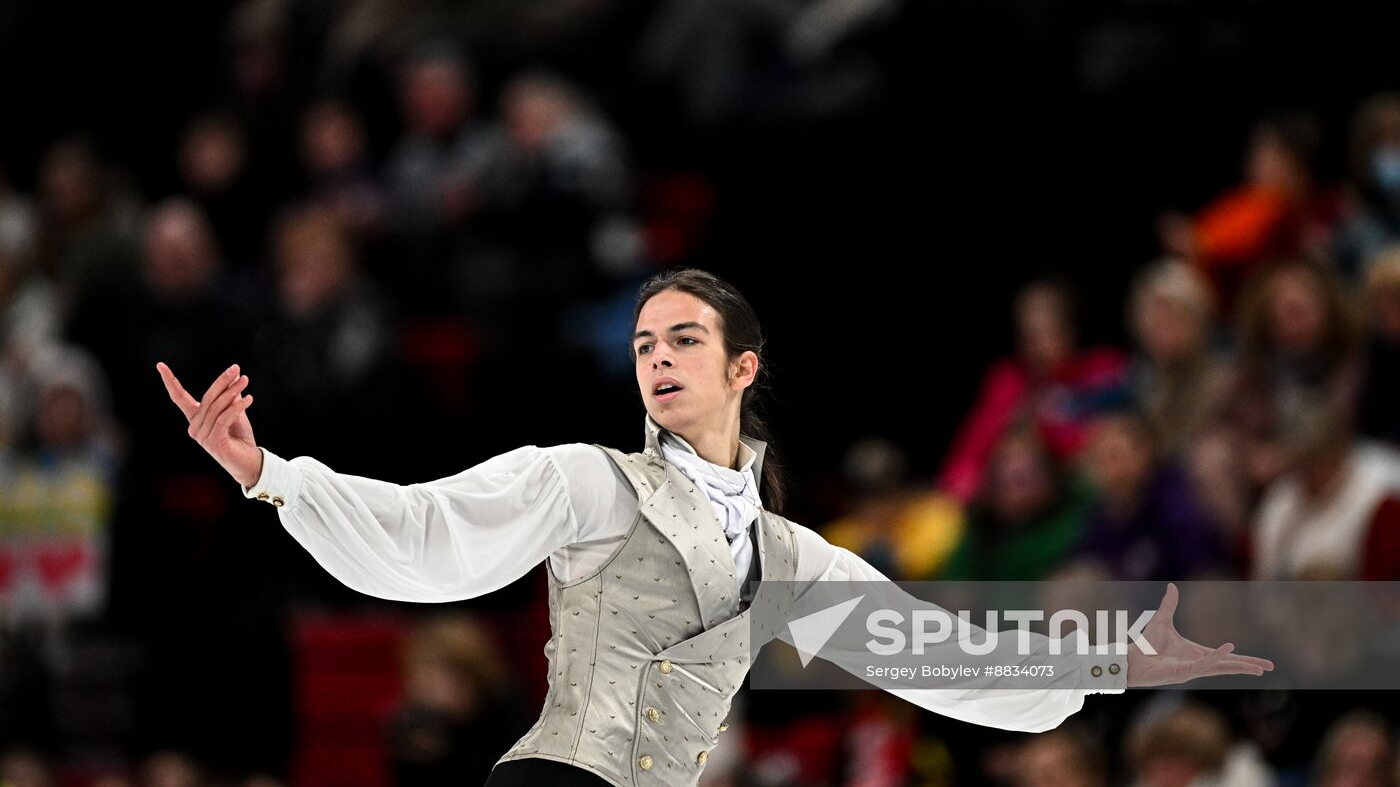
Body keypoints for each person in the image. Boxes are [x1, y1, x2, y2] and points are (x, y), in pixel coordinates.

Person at [156, 267, 1273, 787]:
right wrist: (272, 476)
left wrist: (1111, 664)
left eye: (682, 340)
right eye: (643, 344)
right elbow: (427, 537)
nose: (656, 359)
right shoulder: (591, 483)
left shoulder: (788, 557)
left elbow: (944, 661)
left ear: (742, 366)